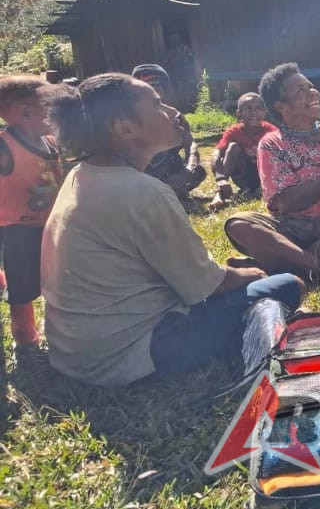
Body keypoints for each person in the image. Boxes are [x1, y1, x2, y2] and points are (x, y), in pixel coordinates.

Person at [40, 74, 304, 387]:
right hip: (128, 357)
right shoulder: (143, 191)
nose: (173, 112)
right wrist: (256, 274)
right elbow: (206, 288)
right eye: (157, 105)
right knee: (288, 285)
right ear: (124, 128)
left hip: (73, 355)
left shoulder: (81, 176)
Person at [224, 63, 320, 292]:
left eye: (311, 87)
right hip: (291, 228)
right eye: (300, 91)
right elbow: (285, 203)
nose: (312, 92)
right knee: (238, 224)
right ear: (281, 107)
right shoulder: (271, 143)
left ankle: (275, 264)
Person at [0, 76, 63, 361]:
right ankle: (25, 338)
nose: (57, 112)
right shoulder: (5, 147)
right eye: (50, 106)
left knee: (54, 275)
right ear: (26, 112)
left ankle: (60, 327)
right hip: (16, 228)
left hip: (50, 223)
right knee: (23, 285)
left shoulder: (50, 141)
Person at [131, 63, 206, 196]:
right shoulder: (130, 121)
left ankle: (170, 188)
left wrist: (190, 168)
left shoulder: (176, 116)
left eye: (157, 91)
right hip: (140, 176)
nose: (153, 97)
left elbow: (191, 144)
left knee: (199, 172)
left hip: (169, 173)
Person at [209, 92, 278, 211]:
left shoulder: (270, 131)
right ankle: (219, 193)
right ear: (239, 114)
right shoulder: (234, 131)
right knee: (233, 147)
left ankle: (266, 189)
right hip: (243, 176)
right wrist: (220, 178)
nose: (254, 112)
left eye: (258, 108)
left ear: (264, 112)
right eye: (248, 109)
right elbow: (216, 154)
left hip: (265, 176)